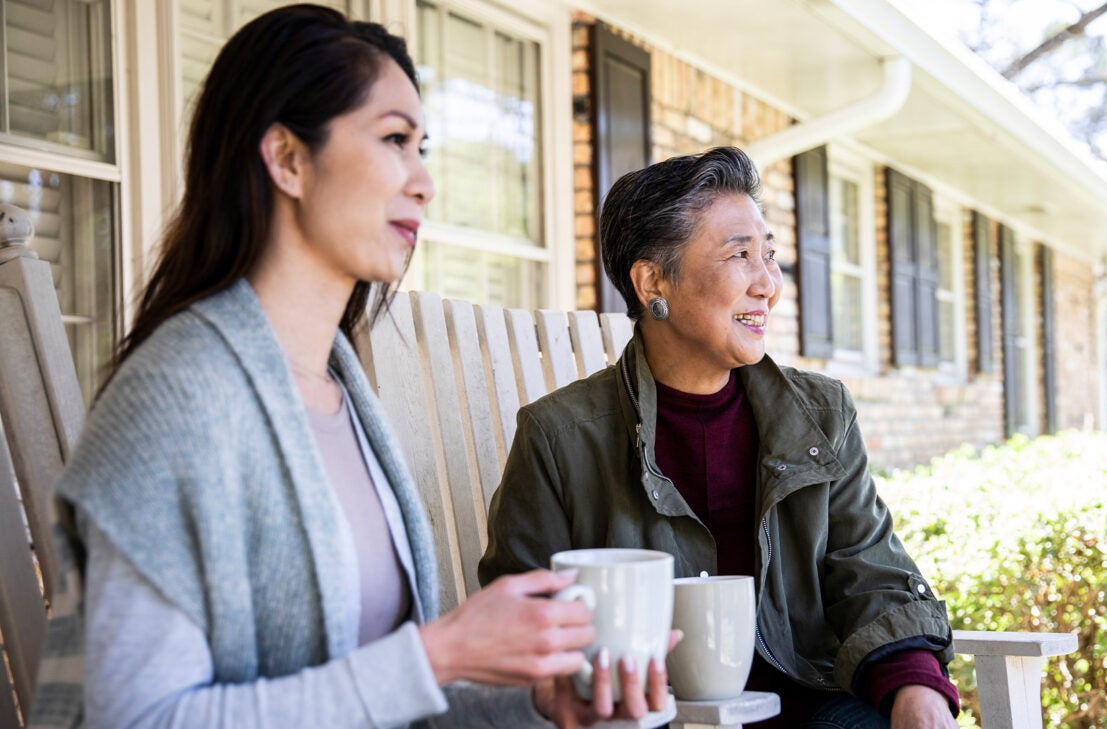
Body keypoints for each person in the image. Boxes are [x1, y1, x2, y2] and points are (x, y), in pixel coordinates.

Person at [39, 5, 666, 728]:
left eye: (422, 147)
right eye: (395, 139)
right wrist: (438, 654)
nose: (425, 182)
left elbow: (376, 692)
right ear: (288, 159)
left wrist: (537, 703)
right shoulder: (178, 394)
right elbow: (140, 718)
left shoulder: (340, 390)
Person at [479, 147, 960, 729]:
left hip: (809, 701)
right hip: (648, 716)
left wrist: (916, 686)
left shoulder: (821, 415)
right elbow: (524, 622)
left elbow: (868, 569)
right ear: (652, 280)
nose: (769, 285)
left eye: (770, 256)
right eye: (740, 255)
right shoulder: (559, 437)